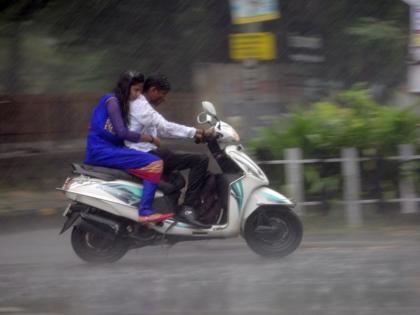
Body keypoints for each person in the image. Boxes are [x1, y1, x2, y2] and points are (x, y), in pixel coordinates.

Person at [84, 71, 174, 223]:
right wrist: (150, 138)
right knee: (155, 163)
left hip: (110, 149)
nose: (138, 94)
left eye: (140, 90)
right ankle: (145, 211)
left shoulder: (123, 104)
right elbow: (122, 132)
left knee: (148, 161)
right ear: (125, 88)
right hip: (102, 150)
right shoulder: (112, 101)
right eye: (136, 90)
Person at [125, 74, 213, 228]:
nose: (164, 99)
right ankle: (188, 208)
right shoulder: (141, 106)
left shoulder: (141, 106)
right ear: (153, 90)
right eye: (162, 94)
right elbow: (165, 127)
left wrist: (194, 133)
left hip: (143, 152)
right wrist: (196, 132)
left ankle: (171, 210)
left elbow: (162, 131)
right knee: (200, 160)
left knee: (177, 179)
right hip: (145, 154)